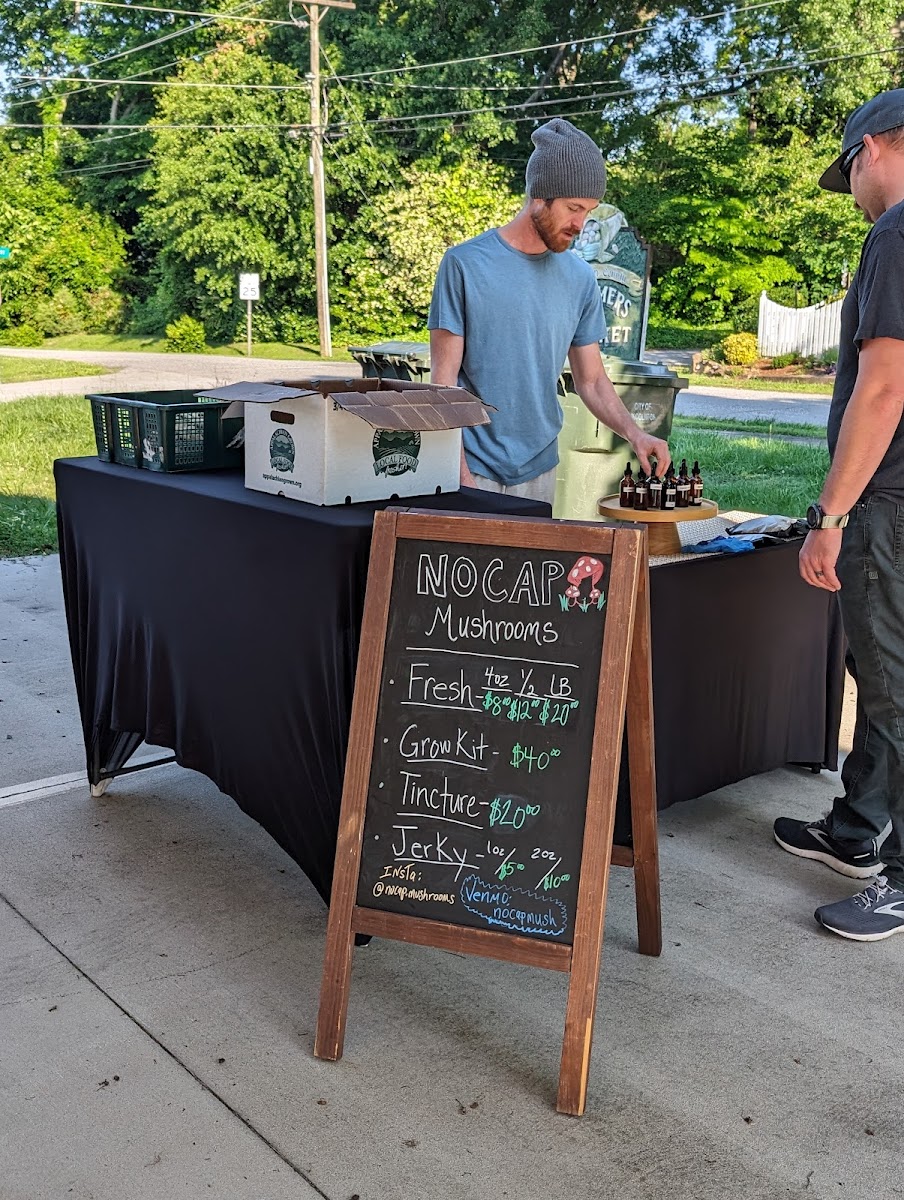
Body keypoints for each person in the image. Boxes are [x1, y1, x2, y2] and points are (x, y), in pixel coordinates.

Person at [774, 88, 904, 941]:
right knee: (881, 676)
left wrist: (830, 510)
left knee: (894, 688)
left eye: (847, 168)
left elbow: (882, 386)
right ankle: (857, 831)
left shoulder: (894, 232)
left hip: (887, 503)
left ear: (872, 150)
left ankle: (896, 877)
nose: (850, 188)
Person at [427, 118, 670, 504]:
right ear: (539, 197)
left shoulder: (579, 279)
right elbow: (443, 383)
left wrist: (636, 433)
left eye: (589, 211)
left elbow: (590, 381)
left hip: (541, 469)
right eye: (574, 208)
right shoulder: (464, 265)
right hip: (472, 469)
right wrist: (457, 475)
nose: (580, 224)